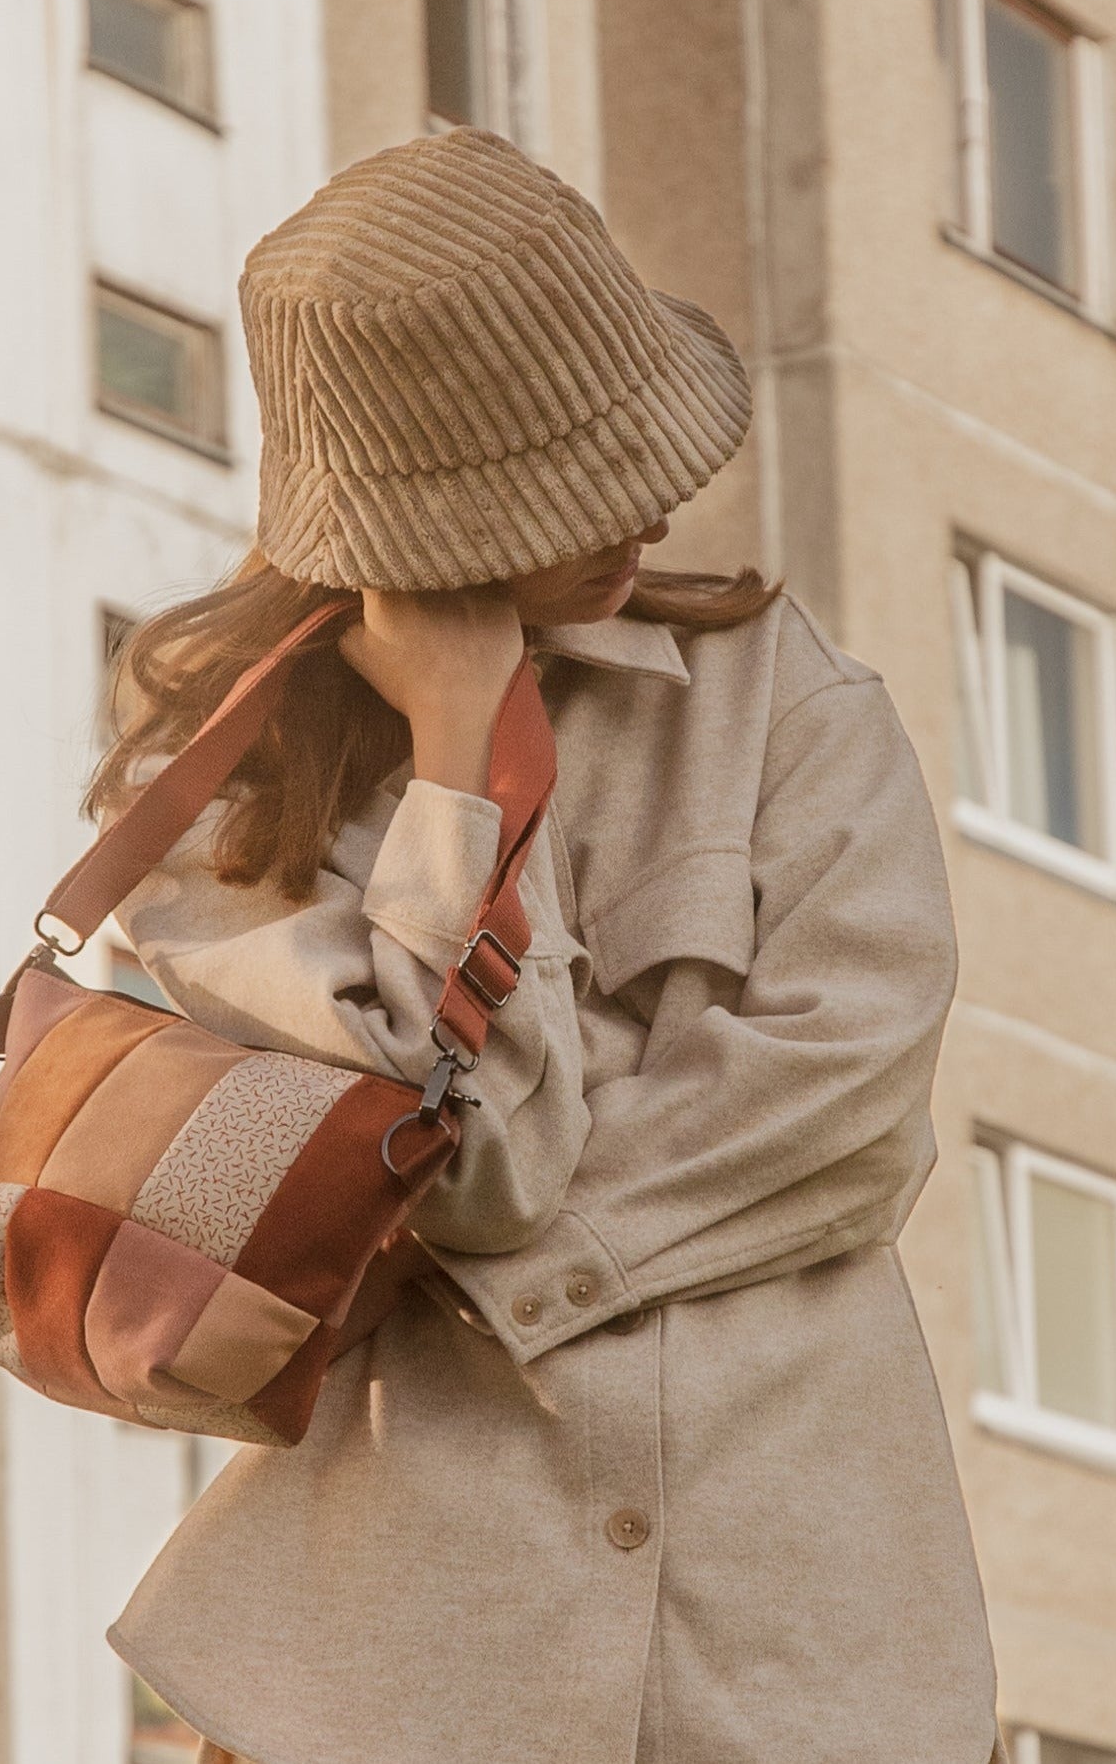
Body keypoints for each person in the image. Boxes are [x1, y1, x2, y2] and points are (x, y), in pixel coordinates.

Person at [90, 125, 1006, 1764]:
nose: (649, 505)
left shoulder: (781, 701)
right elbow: (483, 1166)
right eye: (574, 484)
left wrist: (500, 1278)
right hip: (403, 1678)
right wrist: (463, 759)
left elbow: (853, 1114)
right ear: (422, 519)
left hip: (797, 1655)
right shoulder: (226, 800)